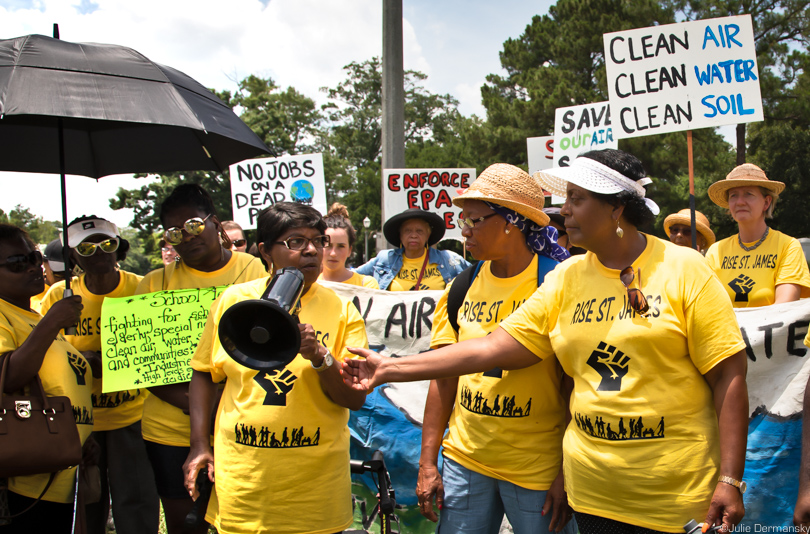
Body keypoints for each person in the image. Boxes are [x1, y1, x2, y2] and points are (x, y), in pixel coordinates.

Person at [342, 149, 750, 533]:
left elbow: (729, 376)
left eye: (576, 198)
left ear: (616, 208)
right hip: (591, 495)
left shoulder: (686, 269)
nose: (563, 210)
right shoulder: (565, 279)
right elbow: (491, 347)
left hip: (675, 498)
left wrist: (730, 478)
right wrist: (388, 369)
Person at [183, 202, 368, 534]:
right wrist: (199, 444)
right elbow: (204, 373)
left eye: (319, 240)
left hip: (316, 493)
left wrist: (319, 355)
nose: (312, 250)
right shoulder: (232, 302)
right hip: (245, 488)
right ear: (266, 251)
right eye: (296, 241)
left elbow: (354, 399)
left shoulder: (342, 311)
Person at [420, 163, 574, 533]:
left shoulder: (558, 282)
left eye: (475, 220)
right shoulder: (460, 287)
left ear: (512, 222)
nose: (464, 231)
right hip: (464, 461)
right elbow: (443, 378)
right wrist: (428, 462)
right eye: (462, 220)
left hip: (537, 467)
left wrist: (565, 471)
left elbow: (575, 384)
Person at [135, 184, 267, 534]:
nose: (187, 237)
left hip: (242, 421)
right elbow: (141, 365)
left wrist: (220, 407)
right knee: (185, 524)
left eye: (194, 225)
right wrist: (198, 404)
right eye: (175, 232)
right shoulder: (152, 284)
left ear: (216, 224)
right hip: (168, 430)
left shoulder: (256, 271)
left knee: (242, 522)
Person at [40, 216, 159, 534]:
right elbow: (44, 350)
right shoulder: (59, 296)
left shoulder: (141, 287)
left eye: (107, 244)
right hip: (79, 420)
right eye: (87, 247)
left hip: (131, 416)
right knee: (86, 503)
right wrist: (80, 359)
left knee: (135, 502)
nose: (99, 253)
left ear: (119, 248)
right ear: (73, 256)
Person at [0, 223, 94, 533]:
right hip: (28, 477)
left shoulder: (31, 315)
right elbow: (8, 375)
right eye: (17, 263)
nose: (33, 268)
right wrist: (53, 322)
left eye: (35, 257)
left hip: (61, 466)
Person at [705, 163, 810, 307]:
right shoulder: (715, 251)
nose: (740, 202)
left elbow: (784, 308)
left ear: (766, 202)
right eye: (733, 195)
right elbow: (709, 305)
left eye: (749, 194)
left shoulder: (788, 246)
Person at [355, 208, 469, 291]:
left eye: (419, 231)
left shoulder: (449, 260)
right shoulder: (385, 259)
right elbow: (351, 277)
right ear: (400, 235)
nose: (413, 235)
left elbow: (480, 275)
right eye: (407, 231)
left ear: (428, 235)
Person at [320, 203, 378, 288]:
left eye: (341, 246)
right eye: (328, 245)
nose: (333, 253)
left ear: (349, 250)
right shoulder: (307, 285)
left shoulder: (366, 285)